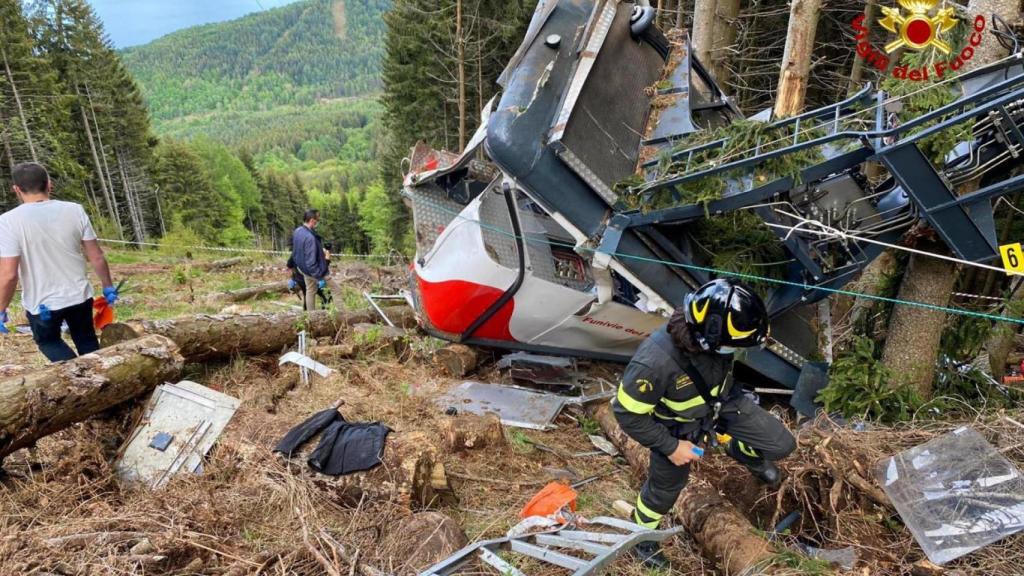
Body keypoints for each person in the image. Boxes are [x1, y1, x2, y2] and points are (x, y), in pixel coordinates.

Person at [614, 279, 796, 568]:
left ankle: (739, 450)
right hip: (675, 427)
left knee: (781, 443)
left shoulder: (715, 336)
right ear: (707, 338)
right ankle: (641, 537)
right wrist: (671, 446)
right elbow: (626, 413)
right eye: (730, 348)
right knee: (664, 491)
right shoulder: (654, 363)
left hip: (722, 403)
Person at [0, 163, 119, 362]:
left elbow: (9, 274)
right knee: (86, 339)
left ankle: (78, 376)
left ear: (17, 189)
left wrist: (1, 308)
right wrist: (108, 286)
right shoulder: (75, 210)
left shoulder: (8, 222)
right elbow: (96, 256)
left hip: (42, 303)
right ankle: (97, 375)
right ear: (49, 184)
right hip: (79, 295)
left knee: (49, 342)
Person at [291, 209, 331, 311]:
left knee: (309, 291)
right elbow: (311, 261)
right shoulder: (310, 237)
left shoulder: (298, 231)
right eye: (317, 220)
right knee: (335, 290)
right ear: (312, 220)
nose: (318, 222)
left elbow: (296, 253)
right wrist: (319, 277)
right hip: (311, 272)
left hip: (302, 270)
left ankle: (311, 317)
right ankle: (341, 317)